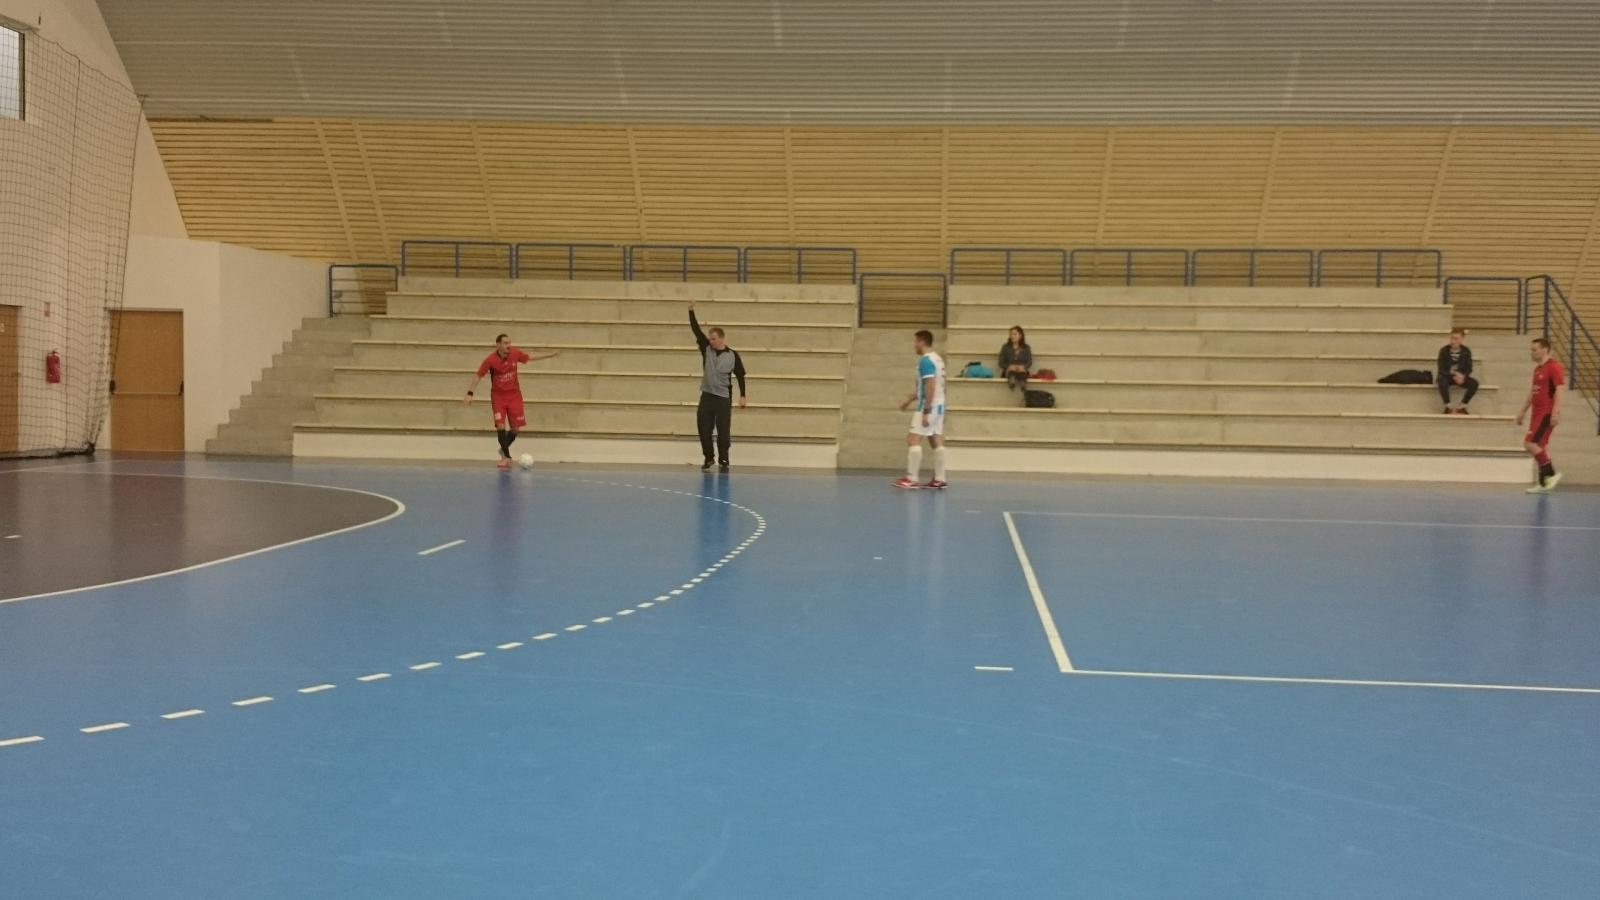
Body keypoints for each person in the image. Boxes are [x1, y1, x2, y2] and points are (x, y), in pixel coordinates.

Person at [463, 333, 557, 469]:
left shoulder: (515, 353)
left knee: (515, 430)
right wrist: (470, 393)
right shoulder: (490, 360)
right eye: (506, 343)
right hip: (498, 398)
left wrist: (549, 355)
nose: (509, 345)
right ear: (498, 345)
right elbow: (478, 375)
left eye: (509, 343)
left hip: (514, 396)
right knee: (500, 426)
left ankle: (503, 449)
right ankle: (506, 457)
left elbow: (529, 357)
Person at [688, 300, 747, 472]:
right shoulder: (706, 349)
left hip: (723, 399)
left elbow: (740, 376)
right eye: (710, 339)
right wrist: (691, 311)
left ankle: (724, 460)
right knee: (703, 428)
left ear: (721, 338)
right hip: (707, 396)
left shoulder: (732, 355)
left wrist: (743, 395)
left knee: (723, 431)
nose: (711, 341)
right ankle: (708, 457)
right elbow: (696, 330)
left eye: (713, 339)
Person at [894, 329, 948, 490]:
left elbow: (930, 385)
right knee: (935, 439)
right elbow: (932, 387)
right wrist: (910, 399)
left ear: (922, 342)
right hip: (939, 405)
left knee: (913, 439)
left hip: (929, 406)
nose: (914, 345)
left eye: (915, 341)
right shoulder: (937, 359)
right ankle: (940, 478)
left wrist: (926, 410)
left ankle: (912, 478)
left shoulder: (925, 361)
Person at [1515, 337, 1565, 494]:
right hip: (1536, 414)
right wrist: (1522, 411)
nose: (1532, 352)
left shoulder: (1554, 367)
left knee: (1529, 444)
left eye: (1534, 350)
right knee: (1539, 447)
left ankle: (1551, 474)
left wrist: (1555, 411)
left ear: (1545, 350)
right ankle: (1544, 483)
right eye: (1531, 350)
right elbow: (1533, 392)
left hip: (1546, 413)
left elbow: (1559, 390)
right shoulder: (1537, 369)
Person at [1435, 328, 1478, 414]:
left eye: (1456, 339)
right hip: (1447, 376)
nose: (1453, 341)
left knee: (1474, 383)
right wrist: (1453, 375)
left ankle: (1462, 406)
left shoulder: (1466, 351)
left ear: (1461, 339)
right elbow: (1441, 368)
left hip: (1461, 377)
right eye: (1452, 338)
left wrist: (1463, 376)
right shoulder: (1444, 350)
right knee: (1441, 381)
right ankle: (1448, 406)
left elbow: (1469, 368)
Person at [999, 325, 1033, 391]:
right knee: (1012, 372)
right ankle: (1012, 381)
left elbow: (1029, 362)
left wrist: (1023, 367)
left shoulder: (1026, 348)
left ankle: (1023, 384)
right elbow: (1001, 363)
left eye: (1015, 334)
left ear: (1020, 335)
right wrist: (1009, 367)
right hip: (1009, 371)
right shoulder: (1005, 347)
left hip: (1022, 371)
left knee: (1022, 373)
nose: (1012, 336)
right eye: (1011, 334)